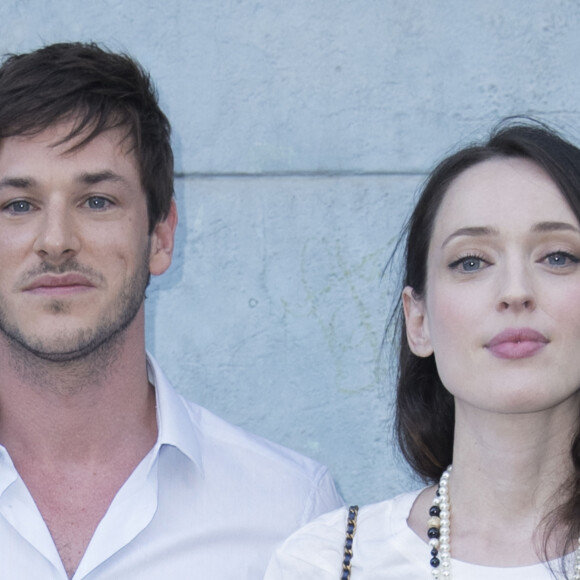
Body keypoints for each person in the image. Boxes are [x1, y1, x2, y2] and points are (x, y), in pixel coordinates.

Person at [0, 42, 343, 579]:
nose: (56, 241)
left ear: (161, 236)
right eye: (18, 205)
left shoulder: (290, 514)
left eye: (97, 201)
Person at [264, 119, 580, 579]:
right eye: (471, 261)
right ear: (419, 321)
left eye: (559, 256)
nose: (516, 291)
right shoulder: (326, 562)